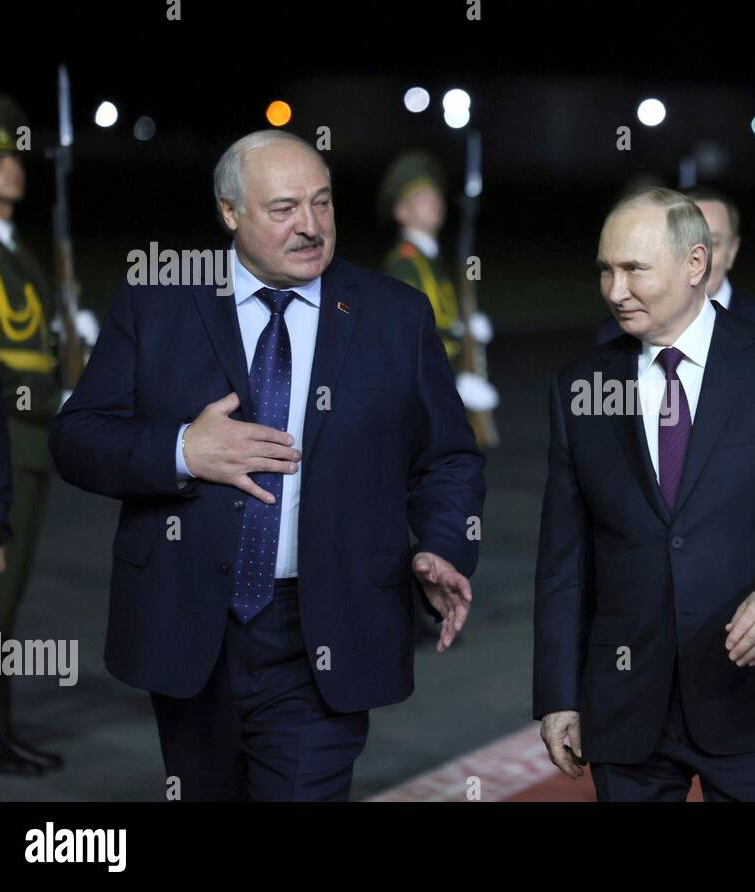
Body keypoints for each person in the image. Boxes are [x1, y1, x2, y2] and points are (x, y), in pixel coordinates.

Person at [49, 130, 486, 801]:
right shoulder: (158, 299)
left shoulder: (393, 316)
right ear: (230, 212)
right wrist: (180, 451)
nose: (310, 227)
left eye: (322, 203)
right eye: (284, 209)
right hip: (193, 624)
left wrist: (442, 544)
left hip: (325, 628)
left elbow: (449, 457)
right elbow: (77, 437)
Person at [534, 188, 755, 801]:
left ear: (695, 265)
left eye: (635, 269)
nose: (615, 289)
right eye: (606, 269)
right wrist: (557, 695)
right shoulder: (580, 386)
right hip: (628, 705)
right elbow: (564, 556)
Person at [0, 94, 69, 774]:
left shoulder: (12, 250)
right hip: (0, 436)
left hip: (28, 441)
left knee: (5, 608)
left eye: (14, 156)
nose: (14, 168)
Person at [594, 186, 755, 345]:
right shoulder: (614, 334)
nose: (699, 261)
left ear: (733, 250)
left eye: (713, 244)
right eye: (683, 244)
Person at [379, 151, 496, 416]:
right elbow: (410, 338)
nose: (433, 202)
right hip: (426, 395)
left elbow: (441, 318)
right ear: (401, 211)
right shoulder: (406, 264)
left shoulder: (430, 259)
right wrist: (454, 383)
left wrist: (466, 326)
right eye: (420, 198)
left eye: (434, 195)